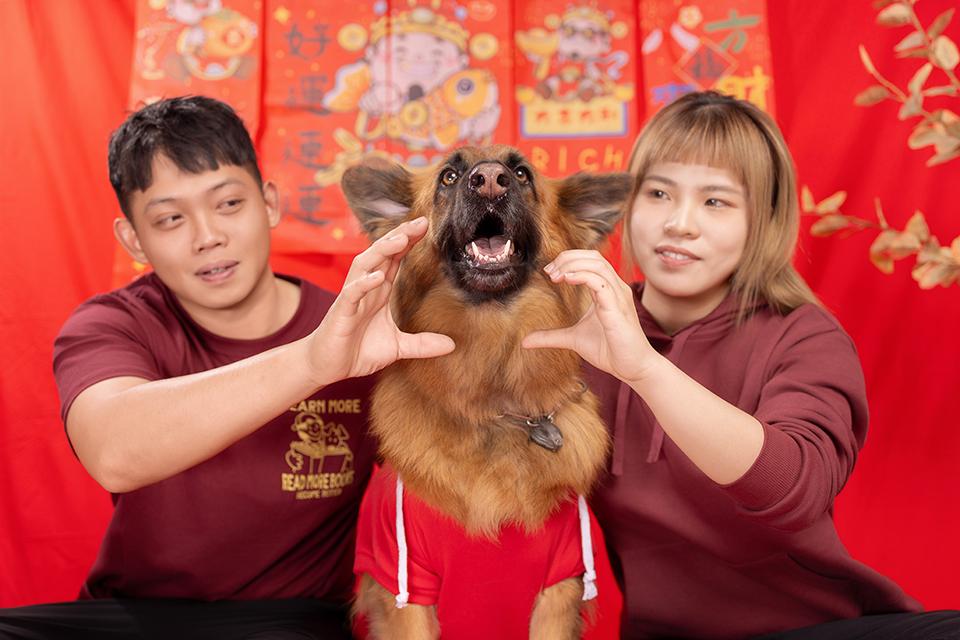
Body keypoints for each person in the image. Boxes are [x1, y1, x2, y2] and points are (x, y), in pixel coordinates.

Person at [0, 95, 453, 640]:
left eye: (229, 204)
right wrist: (312, 362)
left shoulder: (368, 333)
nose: (207, 236)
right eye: (170, 219)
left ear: (269, 204)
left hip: (287, 622)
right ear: (133, 239)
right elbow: (113, 452)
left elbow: (468, 454)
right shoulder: (113, 324)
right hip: (131, 616)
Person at [523, 91, 960, 639]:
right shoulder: (580, 331)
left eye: (716, 201)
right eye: (658, 193)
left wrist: (645, 369)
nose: (679, 223)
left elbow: (794, 489)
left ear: (763, 220)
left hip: (818, 631)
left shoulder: (804, 337)